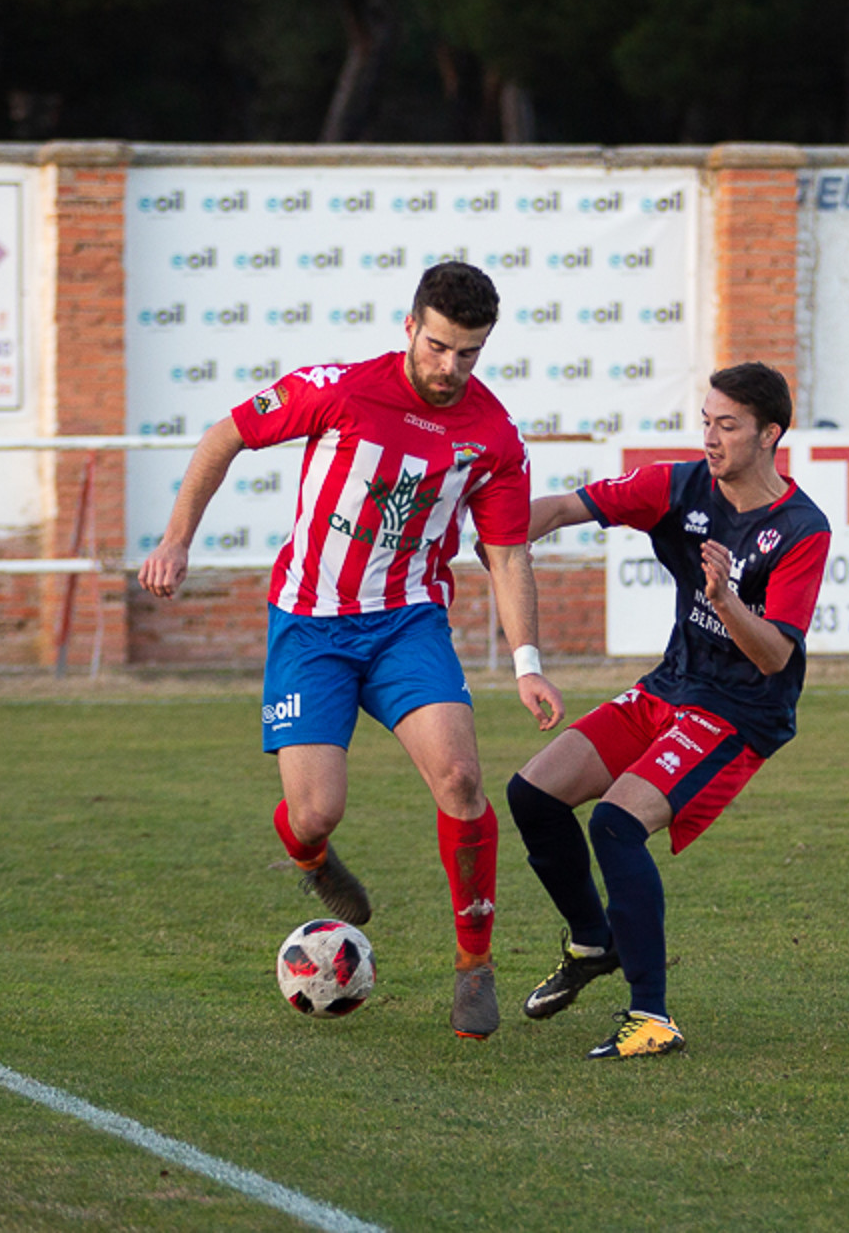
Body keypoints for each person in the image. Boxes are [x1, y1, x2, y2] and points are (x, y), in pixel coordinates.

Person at [139, 261, 564, 1040]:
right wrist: (176, 540)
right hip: (311, 626)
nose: (450, 368)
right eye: (438, 347)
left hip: (408, 623)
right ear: (409, 328)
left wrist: (526, 662)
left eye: (468, 353)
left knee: (463, 778)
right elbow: (227, 435)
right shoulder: (337, 389)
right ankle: (309, 855)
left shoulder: (493, 436)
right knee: (315, 810)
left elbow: (506, 553)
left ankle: (474, 967)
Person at [503, 362, 831, 1059]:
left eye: (729, 425)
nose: (710, 437)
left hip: (740, 710)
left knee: (618, 824)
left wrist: (724, 599)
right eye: (707, 421)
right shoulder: (678, 486)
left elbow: (774, 657)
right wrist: (498, 535)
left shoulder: (802, 528)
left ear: (771, 434)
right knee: (532, 794)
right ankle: (594, 943)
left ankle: (651, 1018)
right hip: (671, 686)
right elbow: (561, 508)